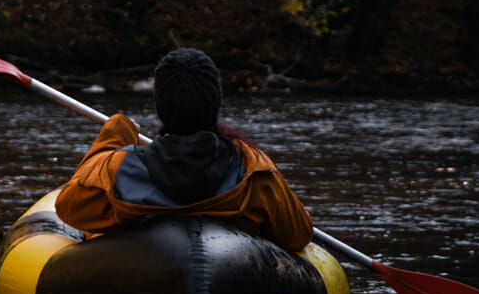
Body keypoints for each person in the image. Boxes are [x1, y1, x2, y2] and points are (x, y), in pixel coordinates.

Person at [54, 46, 312, 253]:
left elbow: (68, 207)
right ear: (215, 103)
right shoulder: (253, 169)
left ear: (161, 107)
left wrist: (115, 133)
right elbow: (298, 235)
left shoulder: (117, 168)